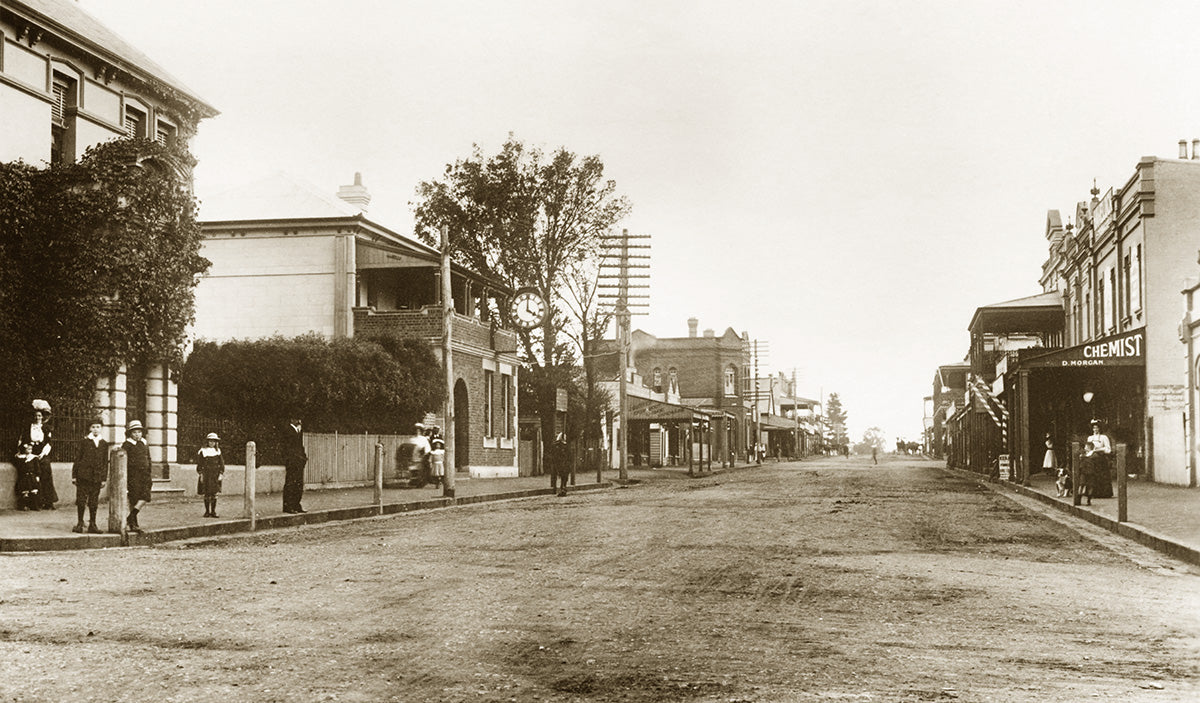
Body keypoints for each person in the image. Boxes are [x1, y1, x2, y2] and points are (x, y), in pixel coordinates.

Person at [71, 418, 108, 534]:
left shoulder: (104, 443)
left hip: (96, 477)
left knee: (94, 501)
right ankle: (80, 523)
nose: (95, 429)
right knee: (81, 500)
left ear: (101, 428)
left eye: (98, 427)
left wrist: (103, 478)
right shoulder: (84, 442)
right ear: (89, 428)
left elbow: (104, 462)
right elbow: (78, 459)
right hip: (83, 476)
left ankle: (93, 524)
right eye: (93, 427)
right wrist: (74, 475)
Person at [20, 399, 56, 510]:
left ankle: (48, 502)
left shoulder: (46, 428)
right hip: (31, 452)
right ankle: (34, 503)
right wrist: (28, 451)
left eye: (40, 416)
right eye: (36, 416)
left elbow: (49, 443)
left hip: (42, 453)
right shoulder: (27, 427)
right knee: (31, 475)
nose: (37, 418)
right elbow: (23, 440)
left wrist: (42, 454)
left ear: (43, 417)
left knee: (46, 473)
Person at [123, 420, 152, 532]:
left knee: (145, 497)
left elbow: (148, 458)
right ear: (130, 433)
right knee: (134, 498)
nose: (137, 434)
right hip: (133, 475)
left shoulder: (144, 443)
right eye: (134, 432)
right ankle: (133, 523)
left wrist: (149, 470)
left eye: (139, 432)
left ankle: (130, 517)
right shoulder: (127, 445)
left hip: (145, 474)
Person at [1083, 420, 1114, 502]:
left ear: (1100, 429)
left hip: (1100, 460)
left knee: (1101, 476)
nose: (1095, 429)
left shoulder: (1104, 437)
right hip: (1091, 459)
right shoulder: (1090, 438)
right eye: (1094, 428)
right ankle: (1091, 493)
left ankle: (1103, 493)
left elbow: (1108, 449)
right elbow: (1087, 449)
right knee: (1091, 475)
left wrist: (1099, 449)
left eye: (1097, 428)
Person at [196, 432, 225, 518]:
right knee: (207, 494)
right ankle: (207, 511)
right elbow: (199, 464)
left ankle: (213, 511)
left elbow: (221, 464)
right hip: (206, 475)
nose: (212, 443)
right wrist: (201, 474)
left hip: (215, 475)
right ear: (207, 442)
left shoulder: (218, 451)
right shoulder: (203, 451)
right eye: (210, 441)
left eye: (214, 441)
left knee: (214, 494)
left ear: (216, 442)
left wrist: (221, 474)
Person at [282, 416, 307, 513]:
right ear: (292, 419)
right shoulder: (288, 430)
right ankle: (288, 506)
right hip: (292, 461)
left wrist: (303, 457)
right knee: (291, 483)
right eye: (297, 419)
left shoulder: (298, 431)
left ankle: (296, 504)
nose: (299, 421)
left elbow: (300, 446)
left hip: (298, 461)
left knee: (299, 483)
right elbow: (287, 448)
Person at [13, 441, 40, 511]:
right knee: (25, 491)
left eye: (31, 449)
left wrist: (37, 476)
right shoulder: (21, 458)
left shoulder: (34, 458)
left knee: (34, 491)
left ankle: (35, 506)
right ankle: (23, 506)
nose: (30, 450)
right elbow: (18, 465)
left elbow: (37, 468)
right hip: (24, 477)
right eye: (28, 449)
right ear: (24, 449)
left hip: (32, 476)